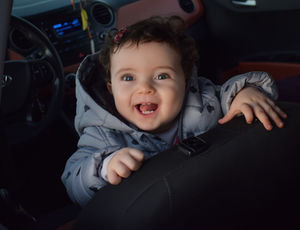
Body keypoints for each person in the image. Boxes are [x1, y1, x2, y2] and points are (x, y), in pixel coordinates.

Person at [61, 16, 287, 206]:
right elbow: (73, 179)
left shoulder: (204, 100)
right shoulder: (103, 134)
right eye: (128, 78)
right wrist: (105, 167)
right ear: (111, 89)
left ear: (185, 80)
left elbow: (227, 92)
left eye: (161, 76)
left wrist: (244, 92)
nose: (145, 88)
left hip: (216, 198)